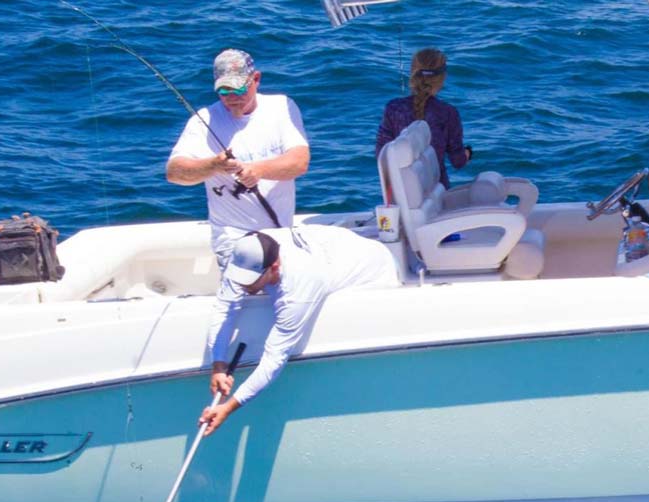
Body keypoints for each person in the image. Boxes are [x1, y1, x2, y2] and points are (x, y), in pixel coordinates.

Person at [200, 226, 398, 435]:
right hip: (334, 249)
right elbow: (225, 309)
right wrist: (218, 365)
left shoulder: (298, 289)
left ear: (274, 267)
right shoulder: (247, 255)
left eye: (249, 280)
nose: (241, 284)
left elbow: (273, 359)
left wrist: (229, 407)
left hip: (373, 272)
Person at [167, 49, 311, 268]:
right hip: (234, 243)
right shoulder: (203, 120)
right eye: (224, 91)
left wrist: (257, 170)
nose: (232, 98)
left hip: (281, 237)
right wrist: (213, 165)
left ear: (256, 79)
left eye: (239, 88)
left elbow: (299, 162)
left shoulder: (282, 107)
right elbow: (175, 173)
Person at [375, 48, 471, 189]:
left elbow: (382, 155)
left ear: (413, 73)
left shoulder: (393, 109)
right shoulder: (448, 113)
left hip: (401, 195)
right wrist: (468, 153)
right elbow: (458, 161)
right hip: (439, 195)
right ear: (442, 78)